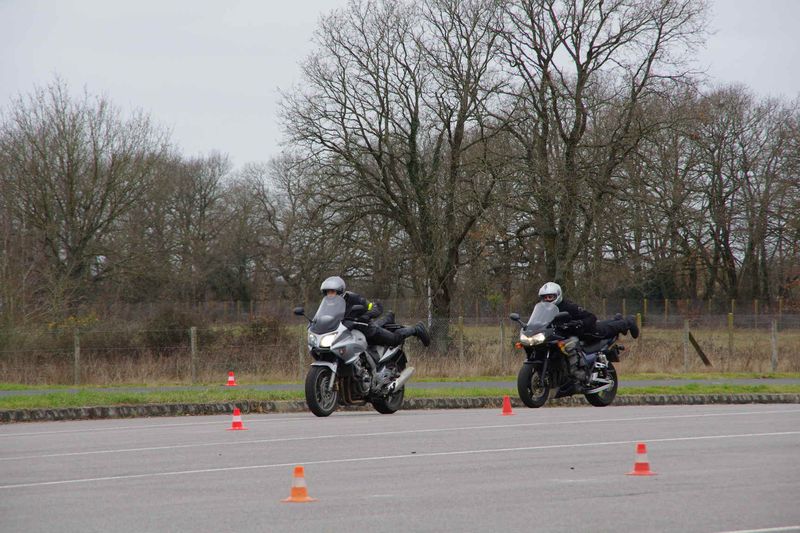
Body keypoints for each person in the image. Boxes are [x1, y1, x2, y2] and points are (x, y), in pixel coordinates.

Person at [537, 281, 639, 381]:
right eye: (545, 297)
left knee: (605, 329)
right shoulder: (543, 310)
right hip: (566, 335)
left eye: (550, 297)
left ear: (558, 295)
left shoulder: (569, 306)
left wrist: (580, 323)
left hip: (586, 331)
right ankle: (617, 320)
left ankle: (628, 322)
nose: (547, 299)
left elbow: (591, 317)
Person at [320, 276, 430, 347]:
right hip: (347, 334)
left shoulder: (354, 298)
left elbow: (375, 307)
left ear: (340, 291)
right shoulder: (327, 304)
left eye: (332, 292)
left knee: (394, 339)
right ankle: (388, 318)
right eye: (327, 292)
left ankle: (416, 329)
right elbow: (321, 318)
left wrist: (365, 316)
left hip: (366, 329)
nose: (330, 295)